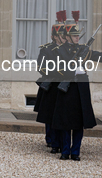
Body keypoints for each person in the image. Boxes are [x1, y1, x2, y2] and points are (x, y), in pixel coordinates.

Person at [51, 11, 102, 161]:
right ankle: (65, 151)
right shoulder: (59, 51)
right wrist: (72, 70)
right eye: (74, 36)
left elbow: (101, 56)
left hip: (80, 89)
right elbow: (55, 69)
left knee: (79, 123)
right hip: (67, 89)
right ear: (66, 37)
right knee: (66, 123)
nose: (77, 38)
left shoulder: (83, 50)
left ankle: (76, 152)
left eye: (77, 36)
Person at [36, 10, 68, 154]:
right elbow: (41, 67)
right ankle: (52, 141)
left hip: (64, 85)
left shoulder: (69, 50)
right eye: (60, 35)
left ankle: (61, 141)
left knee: (62, 114)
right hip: (51, 85)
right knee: (49, 114)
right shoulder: (46, 49)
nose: (63, 38)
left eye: (64, 35)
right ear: (54, 36)